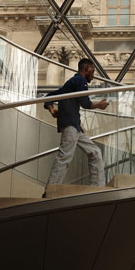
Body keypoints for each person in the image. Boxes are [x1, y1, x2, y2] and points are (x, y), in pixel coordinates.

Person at [43, 59, 109, 192]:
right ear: (86, 68)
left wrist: (52, 110)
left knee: (95, 152)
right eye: (92, 70)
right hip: (71, 125)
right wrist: (99, 105)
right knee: (65, 156)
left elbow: (49, 97)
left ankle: (97, 187)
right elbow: (85, 102)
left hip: (75, 127)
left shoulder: (70, 84)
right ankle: (50, 189)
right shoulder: (80, 80)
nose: (93, 74)